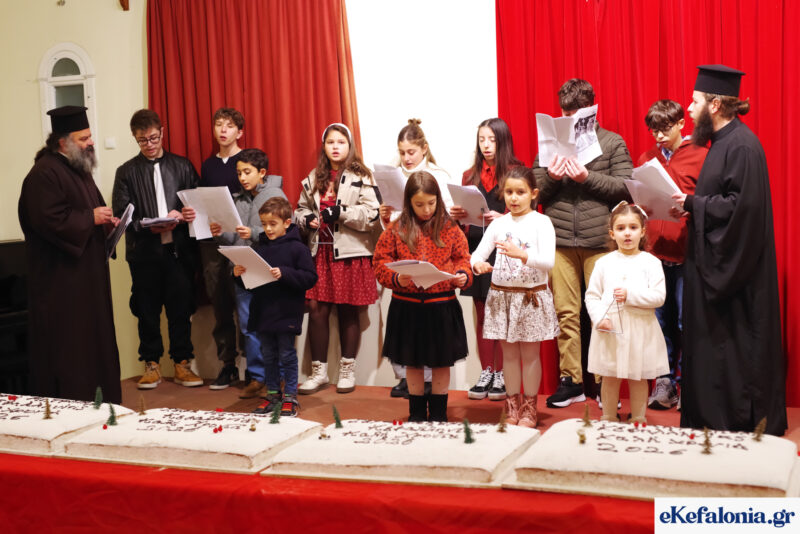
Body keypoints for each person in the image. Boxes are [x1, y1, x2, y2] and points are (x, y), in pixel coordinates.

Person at [671, 65, 786, 435]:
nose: (690, 109)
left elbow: (741, 209)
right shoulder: (722, 143)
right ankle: (709, 416)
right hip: (713, 263)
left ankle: (733, 419)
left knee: (735, 349)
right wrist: (691, 206)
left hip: (736, 274)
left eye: (695, 102)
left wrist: (693, 204)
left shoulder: (741, 146)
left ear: (715, 105)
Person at [533, 79, 633, 408]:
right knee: (566, 314)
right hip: (560, 240)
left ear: (591, 111)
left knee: (602, 313)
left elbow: (625, 186)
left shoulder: (612, 142)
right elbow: (534, 192)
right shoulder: (551, 143)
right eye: (564, 115)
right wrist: (552, 176)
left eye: (575, 115)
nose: (569, 120)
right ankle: (571, 381)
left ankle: (605, 384)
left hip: (599, 241)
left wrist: (586, 178)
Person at [18, 105, 122, 403]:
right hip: (63, 286)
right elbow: (48, 220)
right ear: (63, 142)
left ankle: (103, 403)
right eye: (83, 138)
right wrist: (91, 218)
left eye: (90, 136)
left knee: (94, 344)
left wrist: (106, 221)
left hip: (86, 280)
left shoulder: (77, 170)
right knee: (72, 351)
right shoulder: (44, 174)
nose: (91, 142)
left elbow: (91, 212)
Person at [112, 108, 202, 390]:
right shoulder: (126, 172)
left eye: (153, 138)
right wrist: (145, 225)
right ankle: (151, 364)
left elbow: (198, 204)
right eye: (142, 140)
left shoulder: (183, 166)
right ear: (134, 138)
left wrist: (186, 214)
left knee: (180, 309)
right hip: (144, 253)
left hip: (179, 250)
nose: (149, 145)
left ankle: (182, 363)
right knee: (146, 310)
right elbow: (121, 216)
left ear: (162, 132)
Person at [373, 171, 472, 422]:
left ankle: (439, 414)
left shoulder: (450, 227)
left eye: (431, 203)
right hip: (407, 307)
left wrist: (462, 275)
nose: (426, 210)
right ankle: (416, 414)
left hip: (442, 305)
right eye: (419, 204)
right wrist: (397, 278)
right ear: (408, 202)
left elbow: (463, 258)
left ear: (438, 199)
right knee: (413, 363)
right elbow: (380, 262)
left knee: (441, 363)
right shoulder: (397, 228)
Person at [189, 148, 286, 399]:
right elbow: (234, 238)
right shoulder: (238, 199)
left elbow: (284, 230)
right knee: (248, 327)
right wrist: (220, 233)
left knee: (271, 325)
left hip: (267, 271)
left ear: (262, 172)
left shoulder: (275, 195)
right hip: (242, 270)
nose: (242, 177)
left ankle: (275, 378)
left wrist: (253, 233)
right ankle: (257, 378)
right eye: (239, 172)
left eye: (247, 172)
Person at [294, 123, 380, 394]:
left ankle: (347, 370)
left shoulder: (362, 175)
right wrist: (306, 219)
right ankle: (318, 372)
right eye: (330, 142)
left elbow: (372, 214)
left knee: (348, 310)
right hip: (320, 251)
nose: (335, 147)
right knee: (316, 310)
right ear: (324, 146)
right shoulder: (314, 176)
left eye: (341, 142)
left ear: (349, 146)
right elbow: (299, 209)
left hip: (350, 253)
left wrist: (341, 213)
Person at [471, 166, 559, 427]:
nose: (514, 198)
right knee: (508, 355)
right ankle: (512, 407)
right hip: (503, 298)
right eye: (509, 192)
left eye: (520, 192)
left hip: (531, 297)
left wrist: (523, 255)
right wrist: (478, 265)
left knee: (530, 355)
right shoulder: (499, 224)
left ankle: (530, 408)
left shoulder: (542, 222)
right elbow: (478, 254)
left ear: (533, 193)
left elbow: (548, 261)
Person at [637, 100, 707, 410]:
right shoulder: (647, 158)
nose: (659, 137)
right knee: (658, 323)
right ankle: (665, 383)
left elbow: (709, 201)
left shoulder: (701, 155)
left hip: (686, 253)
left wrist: (691, 206)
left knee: (684, 323)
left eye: (665, 130)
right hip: (654, 254)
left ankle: (688, 383)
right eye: (654, 131)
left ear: (680, 124)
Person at [379, 119, 454, 398]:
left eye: (411, 152)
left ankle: (430, 380)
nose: (406, 158)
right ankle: (406, 376)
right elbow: (390, 226)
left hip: (430, 252)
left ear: (424, 148)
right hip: (403, 251)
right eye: (402, 152)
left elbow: (445, 214)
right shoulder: (393, 175)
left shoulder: (438, 176)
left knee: (430, 327)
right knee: (406, 325)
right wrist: (385, 216)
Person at [451, 118, 523, 402]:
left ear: (503, 141)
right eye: (482, 139)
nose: (486, 145)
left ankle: (502, 374)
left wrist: (504, 217)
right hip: (476, 247)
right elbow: (464, 219)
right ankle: (486, 372)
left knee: (502, 315)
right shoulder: (470, 175)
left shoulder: (516, 171)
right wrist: (458, 216)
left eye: (492, 139)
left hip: (505, 249)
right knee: (482, 315)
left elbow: (528, 214)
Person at [585, 202, 668, 423]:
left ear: (643, 231)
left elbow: (659, 296)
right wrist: (600, 318)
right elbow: (592, 296)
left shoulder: (651, 262)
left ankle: (638, 416)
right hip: (610, 330)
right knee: (610, 376)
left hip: (641, 330)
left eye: (633, 227)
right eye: (621, 228)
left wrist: (630, 295)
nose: (627, 233)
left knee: (638, 376)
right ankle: (609, 416)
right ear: (612, 234)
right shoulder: (603, 263)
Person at [236, 197, 317, 417]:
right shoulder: (258, 248)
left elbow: (310, 278)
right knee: (268, 355)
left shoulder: (298, 249)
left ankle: (290, 396)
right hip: (263, 311)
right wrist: (238, 275)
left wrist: (285, 273)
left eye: (273, 224)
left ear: (287, 223)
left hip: (286, 312)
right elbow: (250, 283)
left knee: (287, 355)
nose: (268, 229)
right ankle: (272, 394)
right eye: (264, 224)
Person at [198, 108, 245, 390]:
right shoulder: (208, 166)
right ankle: (228, 365)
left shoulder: (246, 161)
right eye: (218, 125)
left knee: (245, 303)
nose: (223, 130)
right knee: (220, 304)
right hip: (213, 242)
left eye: (229, 125)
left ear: (240, 132)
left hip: (241, 240)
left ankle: (254, 368)